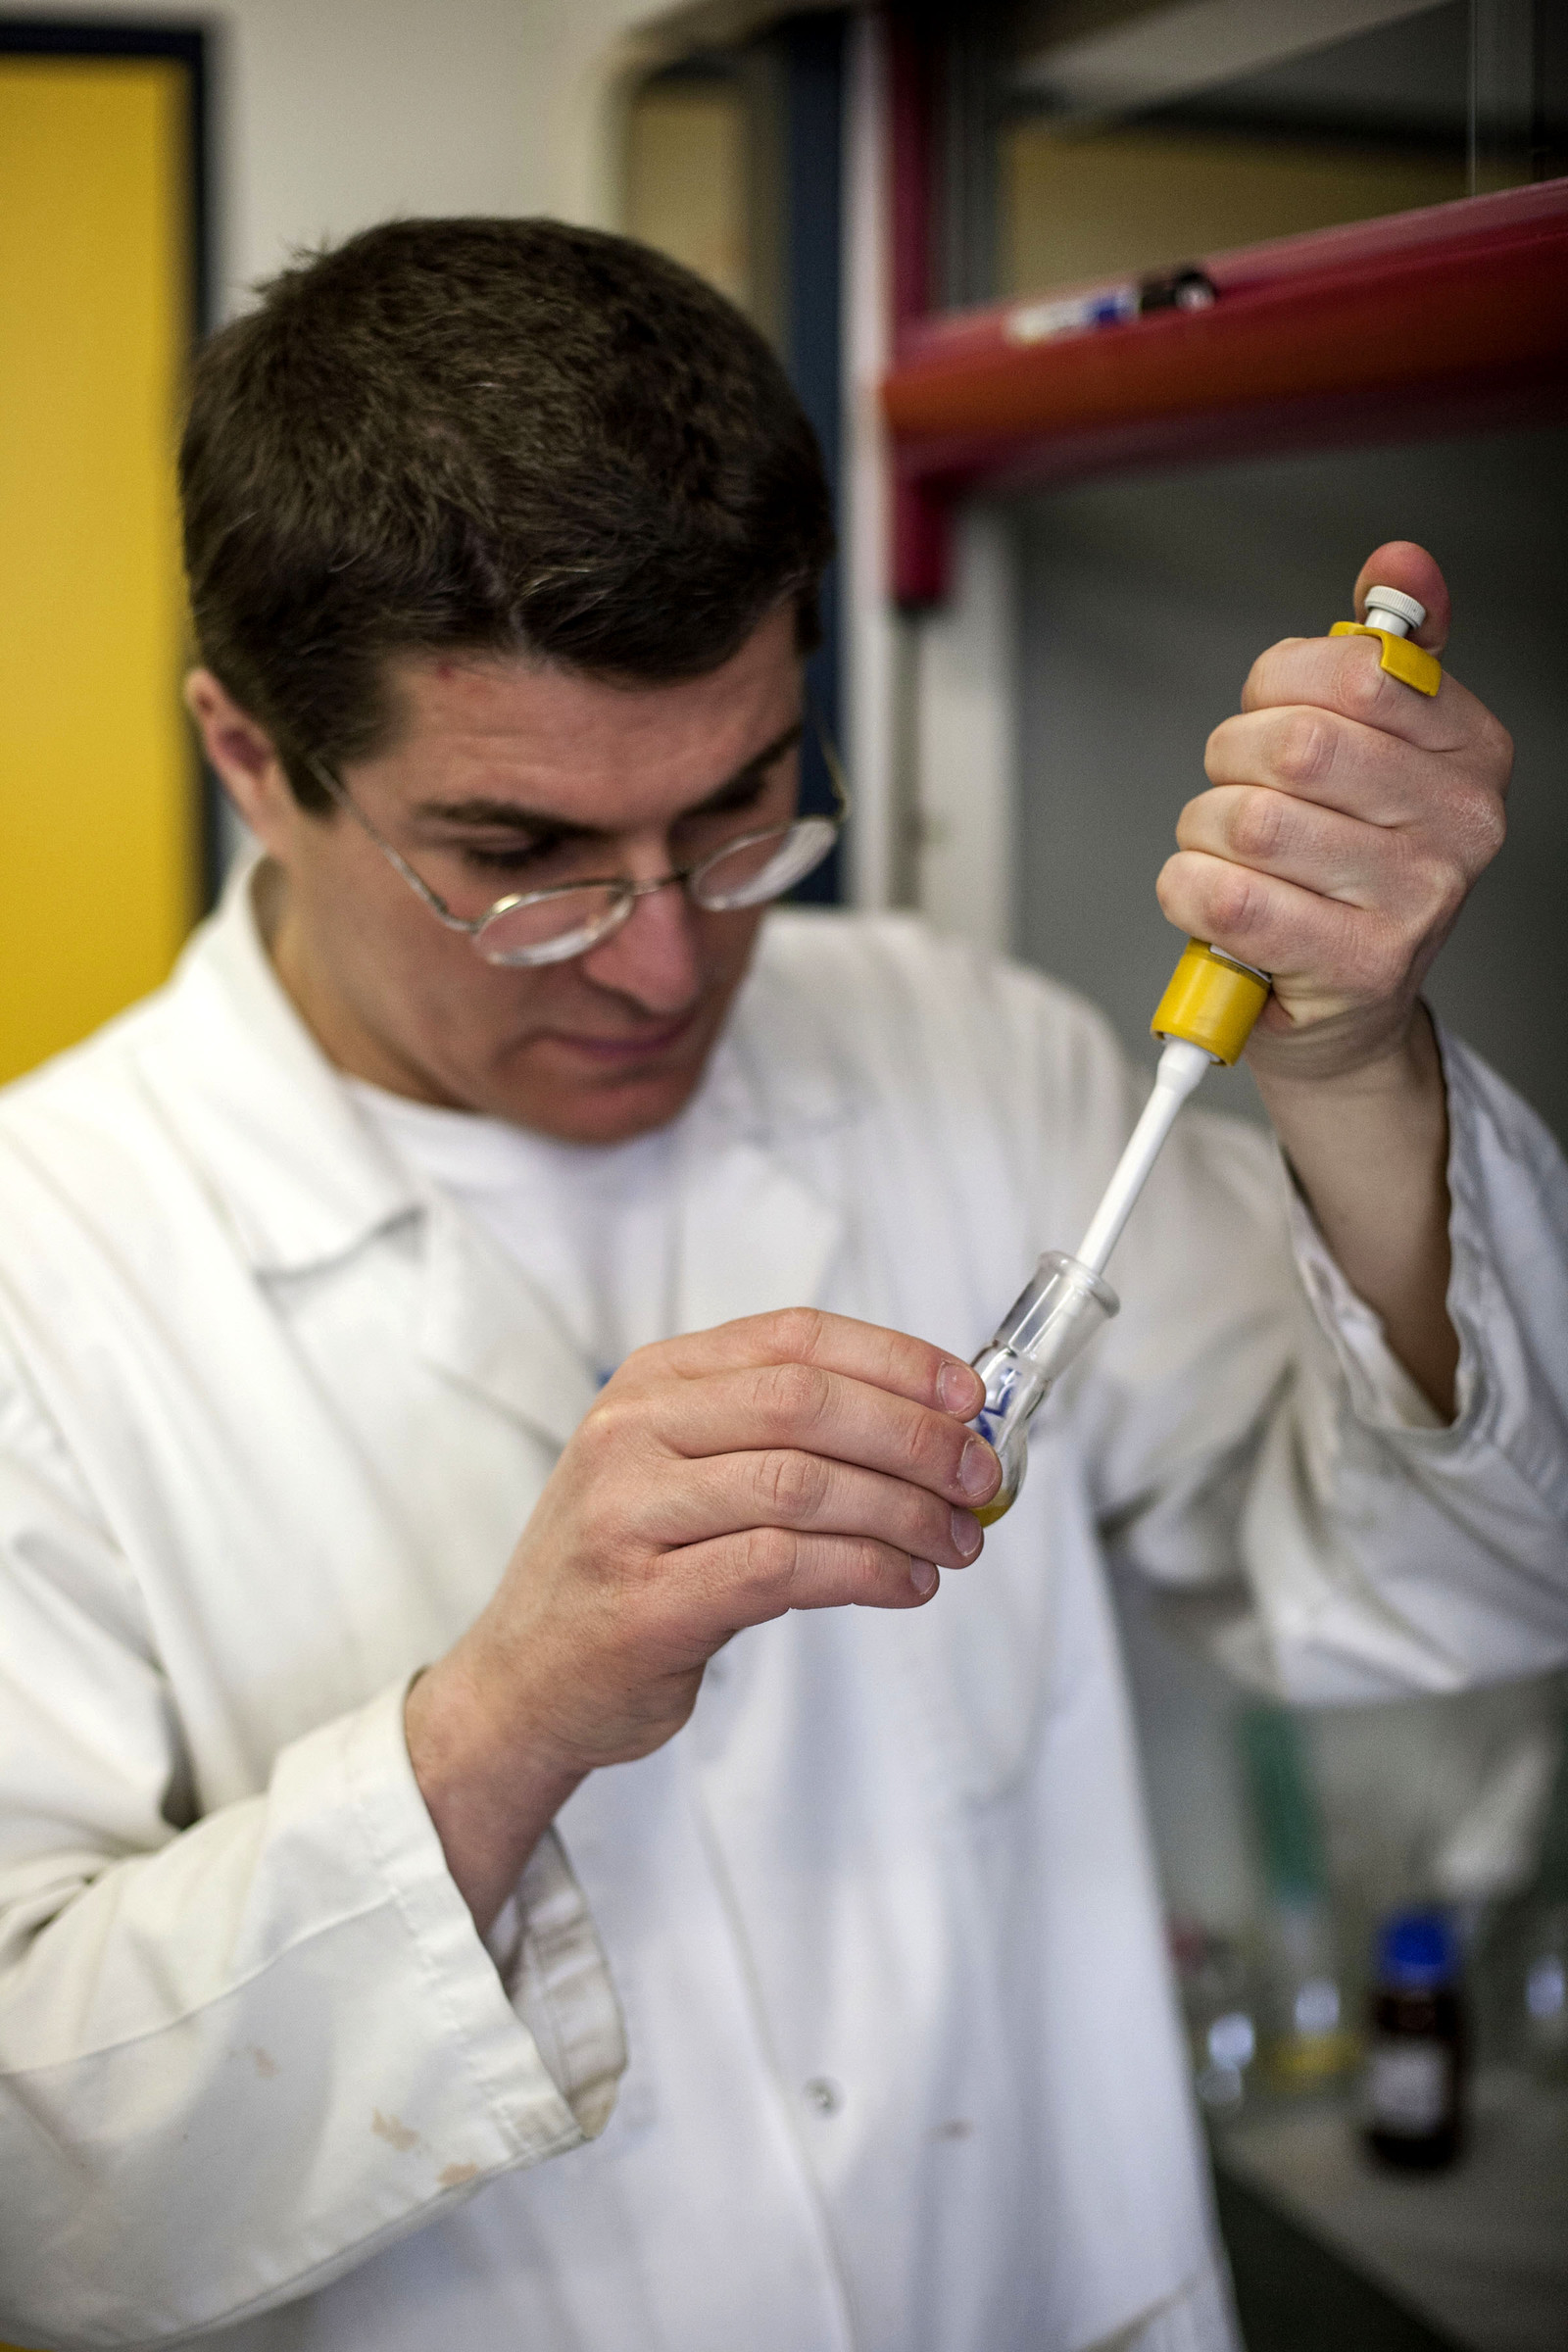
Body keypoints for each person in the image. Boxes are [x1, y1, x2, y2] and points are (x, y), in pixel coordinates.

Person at [0, 217, 1563, 2352]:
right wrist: (502, 1721)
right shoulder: (49, 1267)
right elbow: (34, 2193)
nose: (664, 961)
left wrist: (1353, 1059)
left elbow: (1473, 1579)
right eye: (521, 861)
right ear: (251, 758)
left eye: (741, 809)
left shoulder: (954, 1048)